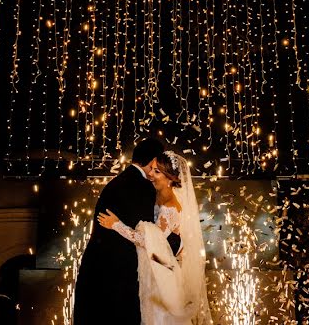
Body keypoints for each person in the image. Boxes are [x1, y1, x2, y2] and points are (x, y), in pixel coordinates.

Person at [97, 150, 213, 325]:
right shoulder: (155, 193)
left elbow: (150, 242)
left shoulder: (170, 207)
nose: (150, 174)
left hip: (162, 272)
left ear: (170, 178)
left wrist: (115, 225)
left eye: (157, 171)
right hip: (152, 266)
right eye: (152, 168)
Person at [72, 137, 164, 325]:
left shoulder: (118, 182)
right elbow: (147, 235)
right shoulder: (143, 187)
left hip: (98, 269)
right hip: (120, 274)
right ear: (153, 160)